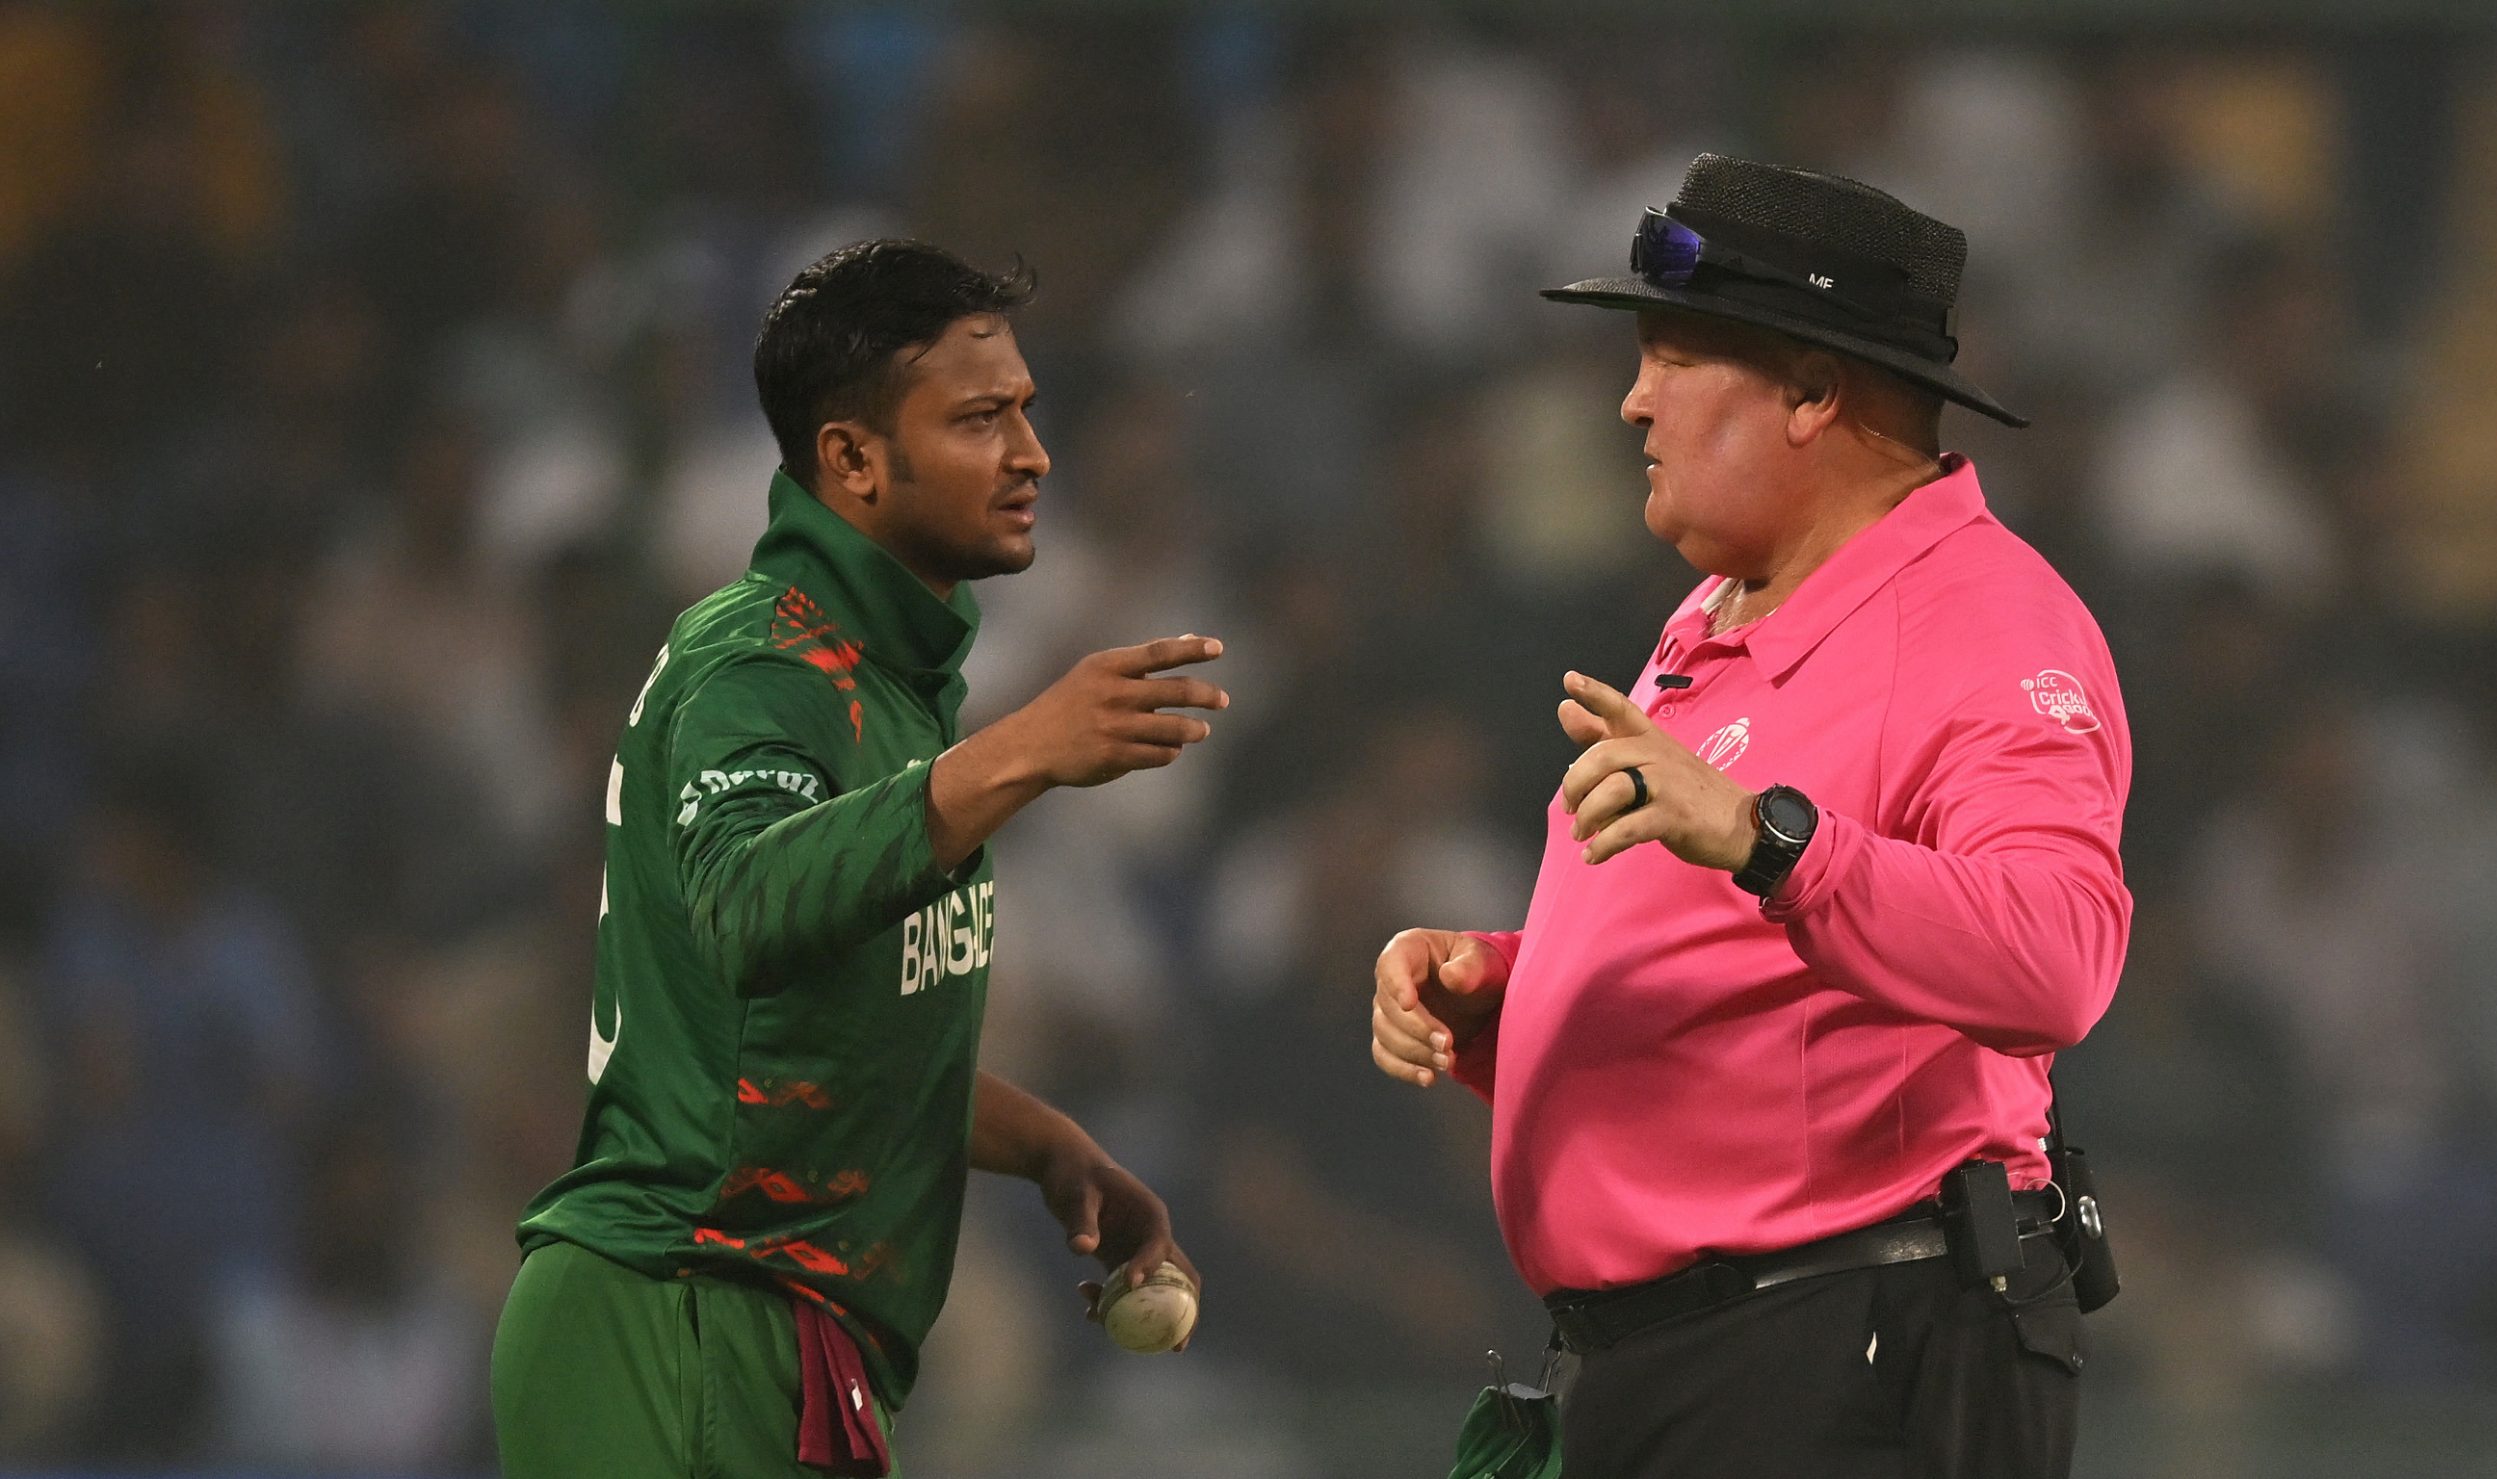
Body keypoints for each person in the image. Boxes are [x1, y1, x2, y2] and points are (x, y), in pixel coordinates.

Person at [1368, 154, 2133, 1479]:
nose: (1631, 400)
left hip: (1851, 1348)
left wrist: (1771, 839)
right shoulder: (1734, 602)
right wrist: (1511, 986)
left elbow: (2059, 954)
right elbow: (1742, 959)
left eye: (1671, 357)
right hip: (1685, 1358)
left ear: (1812, 392)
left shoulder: (1987, 623)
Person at [492, 241, 1226, 1478]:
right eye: (980, 421)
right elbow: (744, 904)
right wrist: (1020, 753)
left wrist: (1045, 1144)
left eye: (1027, 415)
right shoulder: (766, 663)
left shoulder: (888, 687)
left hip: (771, 1329)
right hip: (681, 1315)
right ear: (850, 459)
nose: (1033, 456)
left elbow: (815, 1038)